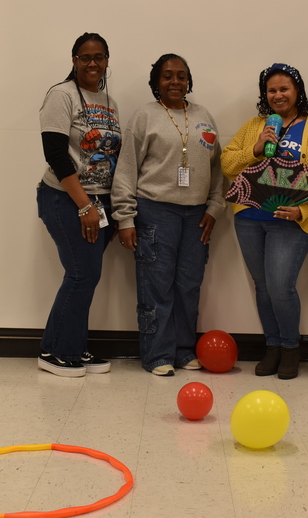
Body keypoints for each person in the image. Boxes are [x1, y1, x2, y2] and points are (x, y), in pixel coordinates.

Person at [221, 63, 308, 380]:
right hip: (249, 217)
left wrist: (305, 211)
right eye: (271, 90)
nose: (278, 95)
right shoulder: (254, 126)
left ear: (297, 91)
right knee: (262, 286)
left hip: (291, 220)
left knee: (280, 286)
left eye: (284, 88)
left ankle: (290, 347)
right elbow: (228, 163)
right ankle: (272, 346)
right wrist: (255, 149)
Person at [111, 53, 224, 377]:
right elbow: (127, 169)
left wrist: (215, 208)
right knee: (156, 286)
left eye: (181, 76)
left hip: (197, 216)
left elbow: (216, 170)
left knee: (189, 286)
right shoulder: (144, 117)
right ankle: (157, 354)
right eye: (167, 76)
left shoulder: (204, 116)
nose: (175, 82)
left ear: (189, 81)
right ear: (156, 82)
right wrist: (125, 218)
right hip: (155, 212)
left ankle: (184, 350)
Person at [36, 33, 121, 377]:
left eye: (99, 57)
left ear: (106, 61)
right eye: (85, 57)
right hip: (66, 198)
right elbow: (55, 153)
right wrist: (84, 205)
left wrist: (109, 208)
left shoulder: (109, 101)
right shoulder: (61, 95)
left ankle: (63, 345)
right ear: (74, 60)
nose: (92, 63)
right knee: (82, 273)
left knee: (85, 275)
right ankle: (59, 352)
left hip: (99, 201)